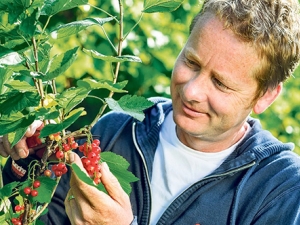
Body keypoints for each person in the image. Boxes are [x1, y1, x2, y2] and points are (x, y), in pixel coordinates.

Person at [1, 0, 300, 224]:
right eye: (191, 62)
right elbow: (39, 215)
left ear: (265, 96)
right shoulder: (116, 132)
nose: (192, 91)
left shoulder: (281, 191)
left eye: (220, 83)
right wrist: (29, 160)